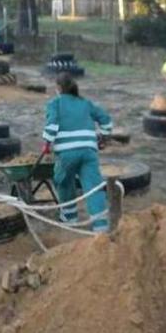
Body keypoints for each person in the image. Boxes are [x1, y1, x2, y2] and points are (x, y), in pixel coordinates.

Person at [42, 73, 114, 233]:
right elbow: (107, 120)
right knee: (94, 187)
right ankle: (100, 226)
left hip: (66, 153)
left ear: (58, 89)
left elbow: (52, 125)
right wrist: (103, 137)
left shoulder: (55, 103)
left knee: (63, 182)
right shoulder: (86, 103)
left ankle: (69, 218)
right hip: (89, 150)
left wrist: (46, 143)